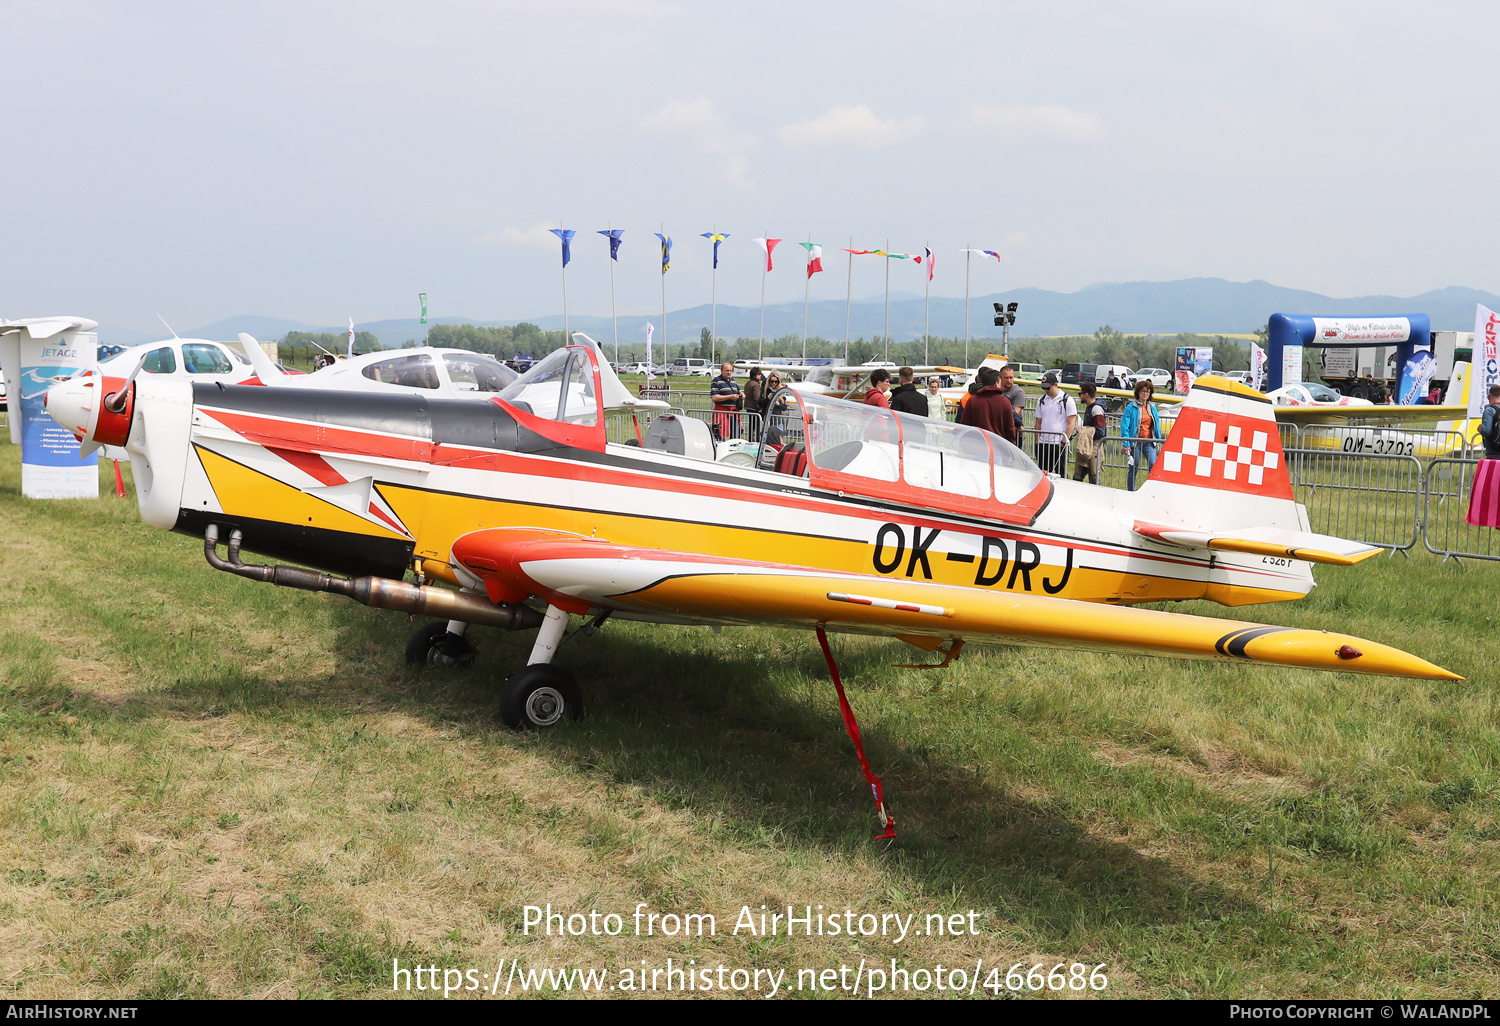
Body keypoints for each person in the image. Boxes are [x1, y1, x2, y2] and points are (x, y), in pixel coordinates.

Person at [1466, 385, 1500, 529]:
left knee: (1492, 489)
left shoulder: (1489, 410)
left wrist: (1480, 430)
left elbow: (1486, 430)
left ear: (1488, 396)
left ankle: (1491, 517)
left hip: (1493, 454)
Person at [1120, 379, 1163, 491]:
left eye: (1148, 392)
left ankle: (1151, 491)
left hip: (1149, 442)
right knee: (1133, 467)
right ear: (1138, 392)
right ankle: (1131, 491)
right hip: (1135, 443)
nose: (1145, 394)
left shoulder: (1152, 407)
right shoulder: (1131, 407)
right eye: (1143, 391)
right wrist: (1126, 444)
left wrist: (1157, 441)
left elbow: (1156, 425)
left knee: (1153, 466)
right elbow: (1125, 426)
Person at [1033, 372, 1077, 476]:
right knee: (1043, 474)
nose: (1046, 391)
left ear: (1056, 385)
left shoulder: (1067, 400)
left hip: (1059, 443)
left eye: (1048, 388)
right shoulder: (1041, 400)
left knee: (1061, 474)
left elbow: (1071, 423)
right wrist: (1036, 442)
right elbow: (1038, 422)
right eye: (1044, 388)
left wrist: (1063, 442)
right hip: (1043, 443)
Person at [961, 367, 1018, 445]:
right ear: (996, 384)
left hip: (976, 446)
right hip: (998, 448)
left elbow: (965, 425)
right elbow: (1010, 428)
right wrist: (1011, 447)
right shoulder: (1005, 402)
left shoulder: (973, 400)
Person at [1072, 382, 1108, 484]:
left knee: (1094, 477)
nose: (1079, 396)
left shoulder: (1096, 409)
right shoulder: (1090, 408)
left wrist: (1084, 433)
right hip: (1086, 447)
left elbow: (1101, 432)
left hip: (1094, 448)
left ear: (1086, 394)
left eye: (1080, 394)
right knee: (1077, 476)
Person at [710, 362, 742, 440]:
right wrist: (729, 397)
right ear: (721, 371)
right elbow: (714, 397)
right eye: (727, 370)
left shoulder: (733, 381)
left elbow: (738, 390)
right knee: (721, 434)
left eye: (730, 370)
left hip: (733, 413)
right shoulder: (716, 381)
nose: (729, 372)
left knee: (736, 435)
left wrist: (741, 393)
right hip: (721, 413)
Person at [998, 363, 1027, 436]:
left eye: (1011, 377)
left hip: (1013, 432)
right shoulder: (995, 391)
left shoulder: (1018, 392)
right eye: (1006, 378)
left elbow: (1014, 413)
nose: (1009, 380)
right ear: (1000, 378)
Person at [743, 367, 765, 438]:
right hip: (754, 408)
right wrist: (759, 407)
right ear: (754, 375)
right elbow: (756, 398)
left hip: (748, 407)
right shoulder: (756, 384)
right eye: (758, 374)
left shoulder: (748, 383)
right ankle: (757, 440)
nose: (760, 376)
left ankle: (750, 439)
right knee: (757, 426)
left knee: (751, 425)